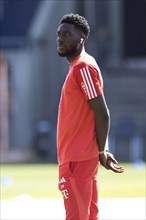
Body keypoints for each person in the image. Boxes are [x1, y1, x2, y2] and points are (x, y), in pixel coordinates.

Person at [56, 13, 124, 220]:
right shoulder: (80, 65)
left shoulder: (82, 66)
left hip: (77, 159)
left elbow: (102, 113)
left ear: (81, 39)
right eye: (59, 34)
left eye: (67, 34)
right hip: (77, 158)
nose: (60, 39)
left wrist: (102, 151)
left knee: (77, 216)